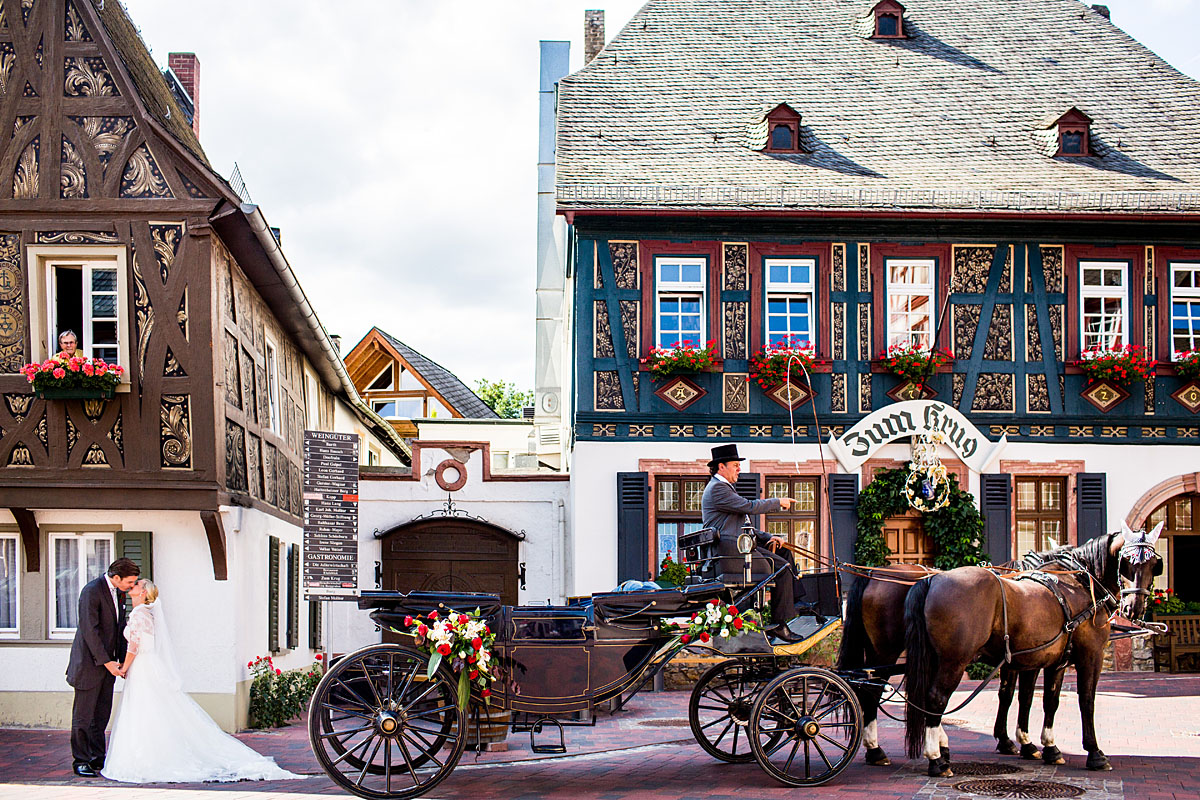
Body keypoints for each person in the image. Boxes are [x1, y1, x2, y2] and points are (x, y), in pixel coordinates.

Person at [101, 579, 305, 783]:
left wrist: (123, 668)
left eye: (137, 584)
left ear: (144, 592)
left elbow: (134, 646)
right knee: (152, 710)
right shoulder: (146, 614)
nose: (132, 586)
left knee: (143, 710)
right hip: (148, 666)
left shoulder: (139, 614)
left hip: (142, 667)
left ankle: (145, 758)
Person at [700, 443, 807, 643]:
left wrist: (768, 537)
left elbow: (744, 526)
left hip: (737, 546)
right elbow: (748, 506)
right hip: (731, 552)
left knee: (784, 554)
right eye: (735, 465)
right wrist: (777, 502)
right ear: (721, 467)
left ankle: (798, 602)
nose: (739, 468)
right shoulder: (717, 489)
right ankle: (780, 624)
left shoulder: (722, 488)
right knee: (781, 569)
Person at [66, 557, 139, 777]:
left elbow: (118, 629)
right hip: (89, 664)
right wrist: (107, 662)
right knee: (83, 716)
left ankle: (98, 757)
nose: (131, 586)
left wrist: (122, 661)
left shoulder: (118, 592)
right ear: (116, 577)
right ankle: (81, 760)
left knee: (101, 715)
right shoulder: (91, 591)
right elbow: (90, 631)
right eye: (129, 582)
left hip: (110, 665)